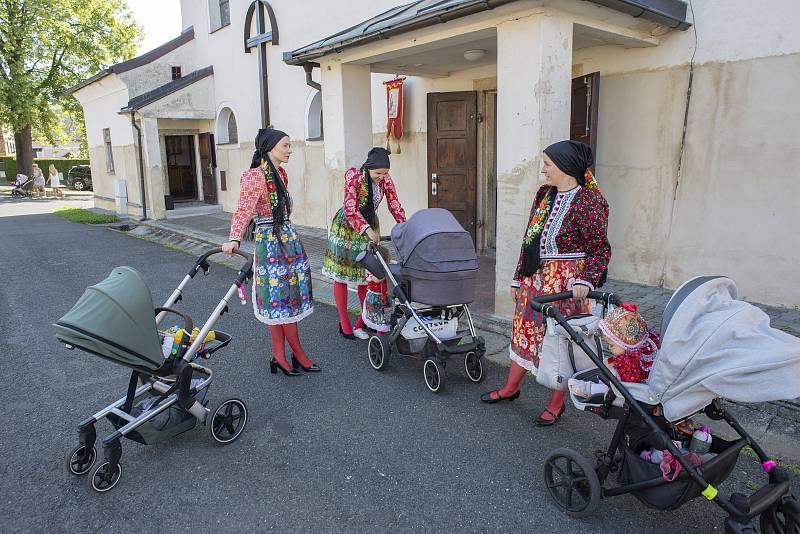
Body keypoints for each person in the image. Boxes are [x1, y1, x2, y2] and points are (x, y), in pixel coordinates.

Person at [480, 140, 611, 427]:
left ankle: (556, 404)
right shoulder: (544, 195)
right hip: (535, 278)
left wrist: (586, 280)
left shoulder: (589, 202)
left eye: (548, 164)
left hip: (566, 285)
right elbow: (530, 238)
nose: (543, 170)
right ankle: (511, 388)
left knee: (560, 341)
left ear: (565, 166)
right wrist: (517, 277)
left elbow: (600, 249)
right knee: (524, 332)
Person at [222, 128, 318, 376]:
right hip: (269, 243)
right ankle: (292, 353)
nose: (290, 150)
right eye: (285, 145)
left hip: (287, 240)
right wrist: (234, 238)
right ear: (270, 147)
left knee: (288, 298)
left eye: (289, 145)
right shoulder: (255, 176)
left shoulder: (281, 174)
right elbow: (243, 208)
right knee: (278, 299)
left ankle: (284, 354)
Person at [321, 147, 406, 340]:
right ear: (368, 168)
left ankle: (367, 318)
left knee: (366, 275)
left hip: (369, 226)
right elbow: (351, 209)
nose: (382, 177)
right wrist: (367, 229)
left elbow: (394, 204)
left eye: (385, 173)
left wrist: (406, 226)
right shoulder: (355, 178)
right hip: (347, 226)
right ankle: (344, 323)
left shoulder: (386, 180)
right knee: (341, 276)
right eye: (378, 173)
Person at [568, 301, 661, 400]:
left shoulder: (632, 362)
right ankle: (599, 383)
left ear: (627, 344)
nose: (608, 348)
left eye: (611, 345)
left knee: (610, 386)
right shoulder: (635, 350)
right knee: (609, 372)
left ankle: (590, 389)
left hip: (634, 388)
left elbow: (627, 382)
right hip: (636, 380)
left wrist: (613, 369)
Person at [360, 245, 392, 334]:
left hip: (384, 297)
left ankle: (382, 331)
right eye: (388, 260)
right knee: (379, 317)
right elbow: (377, 279)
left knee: (385, 316)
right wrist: (385, 272)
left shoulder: (384, 268)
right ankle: (380, 335)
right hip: (376, 298)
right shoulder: (370, 271)